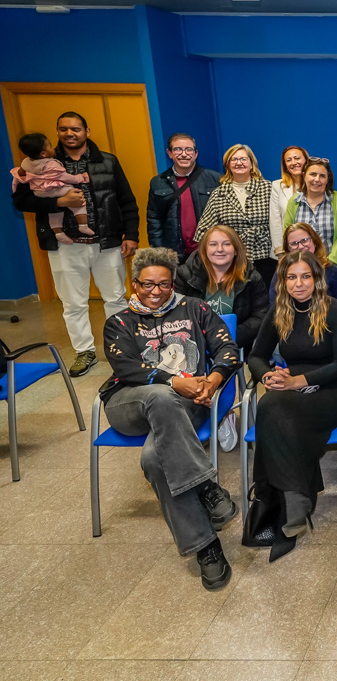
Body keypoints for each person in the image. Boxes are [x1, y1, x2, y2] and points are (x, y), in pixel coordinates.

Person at [99, 247, 241, 590]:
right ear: (134, 284)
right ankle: (207, 487)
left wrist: (213, 380)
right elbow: (127, 368)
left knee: (154, 459)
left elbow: (227, 350)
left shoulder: (195, 308)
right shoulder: (119, 322)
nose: (155, 292)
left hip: (186, 402)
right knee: (161, 394)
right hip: (128, 403)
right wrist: (177, 381)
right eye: (147, 285)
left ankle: (206, 546)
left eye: (163, 284)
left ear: (172, 282)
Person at [11, 112, 139, 377]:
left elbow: (126, 199)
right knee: (73, 303)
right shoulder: (39, 163)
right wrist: (57, 203)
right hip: (65, 246)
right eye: (63, 129)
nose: (70, 133)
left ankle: (123, 347)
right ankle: (84, 351)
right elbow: (21, 201)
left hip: (107, 242)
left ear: (86, 131)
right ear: (57, 132)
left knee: (116, 298)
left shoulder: (108, 161)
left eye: (75, 129)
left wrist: (131, 235)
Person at [247, 250, 337, 552]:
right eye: (291, 277)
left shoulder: (335, 310)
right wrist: (268, 377)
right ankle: (295, 496)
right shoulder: (279, 311)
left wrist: (297, 381)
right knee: (271, 405)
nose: (299, 284)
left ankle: (272, 496)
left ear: (317, 278)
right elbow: (256, 356)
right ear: (283, 282)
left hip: (333, 389)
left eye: (305, 276)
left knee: (273, 410)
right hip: (291, 389)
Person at [174, 225, 269, 355]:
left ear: (236, 250)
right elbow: (177, 315)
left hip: (234, 343)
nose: (220, 249)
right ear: (204, 250)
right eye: (213, 244)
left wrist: (230, 338)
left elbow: (261, 316)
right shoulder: (185, 275)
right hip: (194, 345)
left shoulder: (252, 277)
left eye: (226, 244)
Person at [195, 144, 275, 287]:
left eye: (243, 159)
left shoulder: (268, 188)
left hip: (266, 256)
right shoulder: (219, 193)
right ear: (228, 165)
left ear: (252, 163)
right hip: (233, 259)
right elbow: (203, 231)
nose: (239, 163)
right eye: (234, 159)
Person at [283, 158, 337, 298]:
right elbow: (288, 234)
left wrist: (331, 261)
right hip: (302, 270)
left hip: (335, 267)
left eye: (322, 176)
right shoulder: (294, 202)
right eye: (313, 174)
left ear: (328, 179)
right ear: (304, 175)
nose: (317, 179)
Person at [145, 133, 221, 263]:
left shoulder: (215, 179)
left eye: (188, 149)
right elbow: (154, 220)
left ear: (196, 154)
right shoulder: (158, 182)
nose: (184, 154)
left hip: (209, 250)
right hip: (173, 253)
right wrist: (159, 252)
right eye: (178, 149)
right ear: (169, 153)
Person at [11, 131, 93, 244]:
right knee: (77, 199)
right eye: (49, 145)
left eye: (76, 129)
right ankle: (83, 224)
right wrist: (79, 178)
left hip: (39, 192)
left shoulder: (25, 162)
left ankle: (58, 232)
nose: (70, 133)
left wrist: (17, 179)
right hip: (54, 189)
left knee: (53, 211)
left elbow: (20, 173)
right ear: (43, 154)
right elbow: (64, 177)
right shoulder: (51, 164)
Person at [273, 222, 337, 308]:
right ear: (288, 248)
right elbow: (275, 306)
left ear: (314, 242)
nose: (300, 246)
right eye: (294, 243)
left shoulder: (331, 271)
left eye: (304, 240)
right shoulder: (281, 272)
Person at [270, 146, 309, 257]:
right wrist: (280, 252)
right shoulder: (277, 186)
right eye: (289, 160)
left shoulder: (316, 184)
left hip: (312, 247)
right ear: (285, 166)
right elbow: (275, 221)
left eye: (297, 158)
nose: (293, 162)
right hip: (288, 249)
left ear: (306, 161)